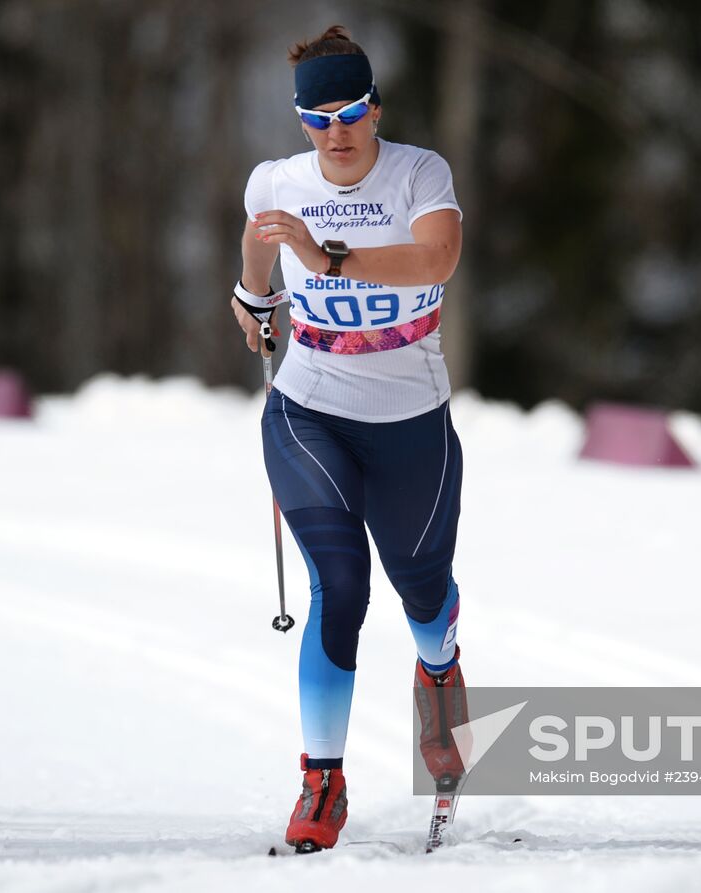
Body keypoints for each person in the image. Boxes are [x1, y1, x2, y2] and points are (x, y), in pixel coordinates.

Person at [231, 25, 471, 852]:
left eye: (354, 110)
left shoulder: (418, 172)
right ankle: (322, 779)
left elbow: (436, 260)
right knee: (339, 582)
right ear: (300, 120)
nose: (337, 131)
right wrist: (252, 296)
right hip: (309, 406)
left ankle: (439, 665)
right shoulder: (277, 182)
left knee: (422, 589)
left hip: (410, 419)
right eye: (318, 116)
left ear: (377, 107)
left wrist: (325, 260)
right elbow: (259, 240)